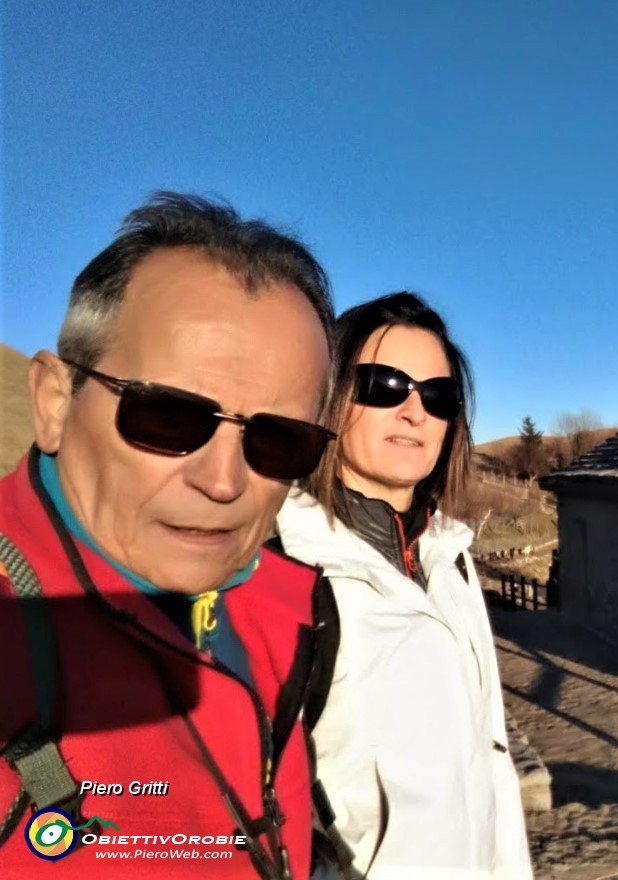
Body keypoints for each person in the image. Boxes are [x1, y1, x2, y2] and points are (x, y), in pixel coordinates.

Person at [0, 192, 337, 878]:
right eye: (167, 417)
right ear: (55, 401)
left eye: (279, 440)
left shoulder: (292, 609)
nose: (223, 481)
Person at [274, 292, 533, 879]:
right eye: (383, 386)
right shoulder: (285, 574)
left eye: (437, 397)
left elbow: (492, 762)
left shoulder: (450, 559)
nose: (416, 412)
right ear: (329, 396)